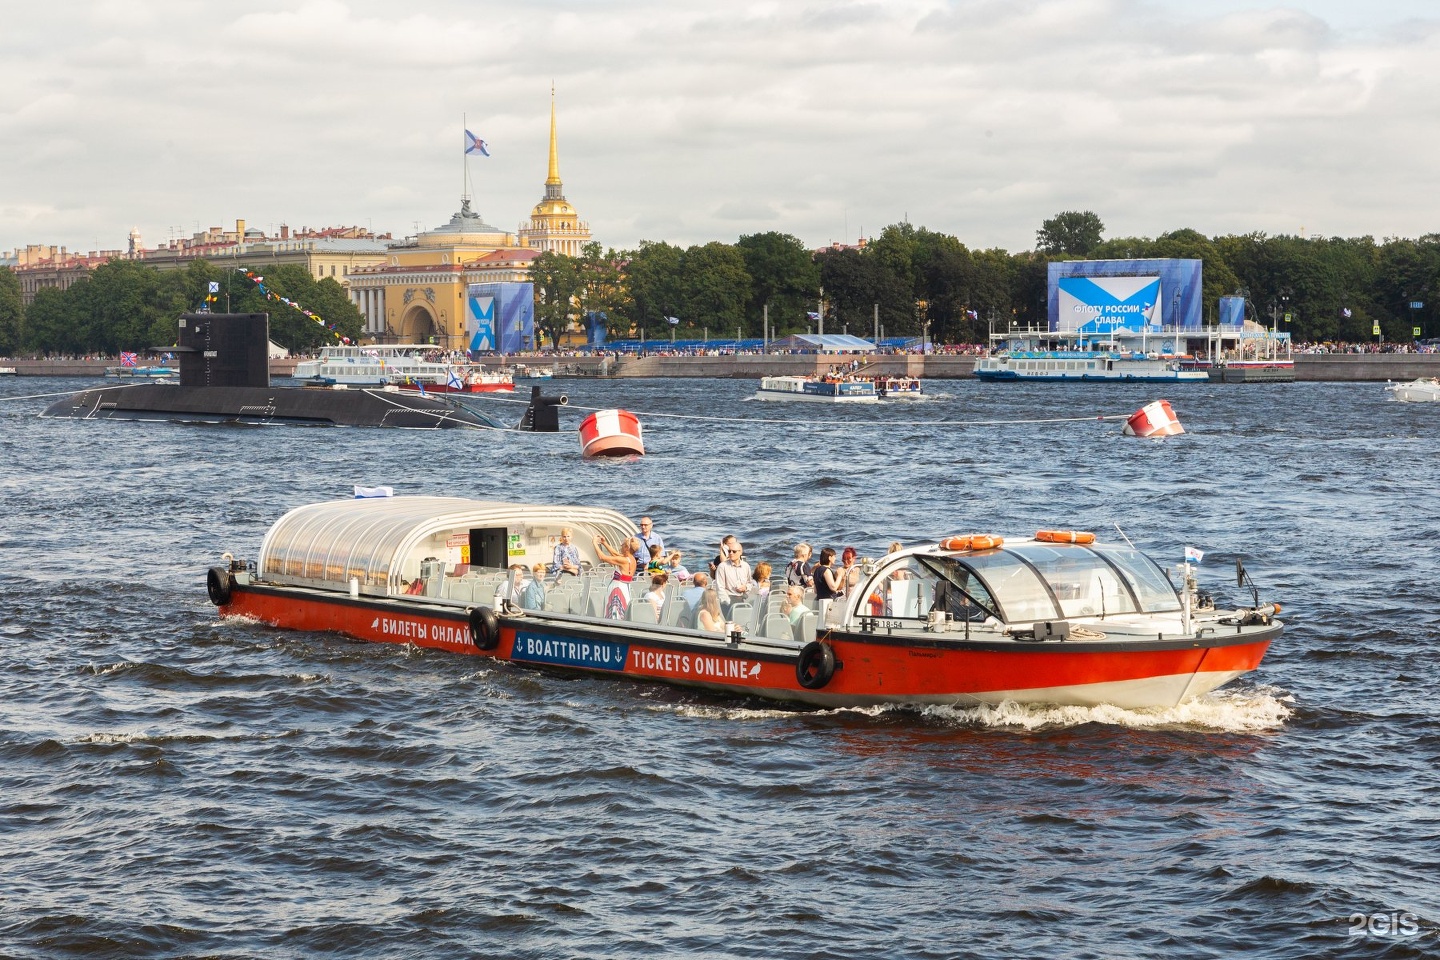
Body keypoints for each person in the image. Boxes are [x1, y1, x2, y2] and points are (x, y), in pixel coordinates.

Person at [593, 532, 639, 620]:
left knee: (615, 612)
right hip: (625, 587)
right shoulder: (631, 559)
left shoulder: (624, 560)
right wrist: (604, 543)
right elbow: (615, 554)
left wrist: (594, 543)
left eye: (622, 545)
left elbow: (602, 557)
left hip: (618, 588)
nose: (620, 546)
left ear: (627, 548)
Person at [713, 539, 753, 612]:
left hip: (743, 598)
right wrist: (727, 602)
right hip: (729, 599)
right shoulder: (722, 566)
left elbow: (750, 582)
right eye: (729, 551)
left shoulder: (746, 566)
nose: (731, 553)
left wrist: (745, 587)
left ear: (740, 552)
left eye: (734, 551)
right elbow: (720, 587)